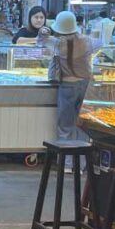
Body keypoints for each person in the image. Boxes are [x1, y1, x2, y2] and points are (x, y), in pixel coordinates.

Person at [38, 10, 101, 142]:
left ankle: (67, 161)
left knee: (65, 126)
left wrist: (44, 30)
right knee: (82, 123)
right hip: (85, 85)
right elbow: (101, 43)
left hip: (68, 86)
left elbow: (41, 41)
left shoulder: (58, 43)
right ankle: (82, 159)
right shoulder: (86, 41)